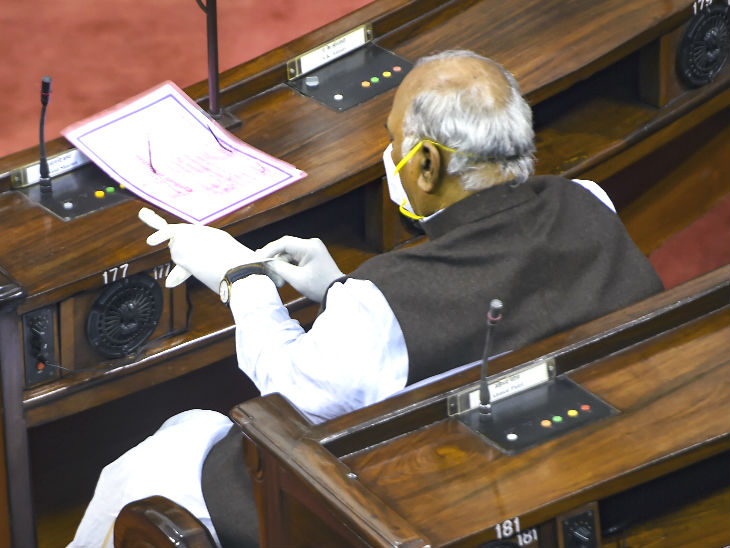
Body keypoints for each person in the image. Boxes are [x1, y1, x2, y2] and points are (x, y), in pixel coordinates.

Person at [68, 50, 663, 547]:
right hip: (557, 458)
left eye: (393, 139)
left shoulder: (383, 306)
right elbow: (489, 302)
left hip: (414, 504)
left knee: (167, 448)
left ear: (426, 164)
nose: (390, 156)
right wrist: (337, 290)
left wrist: (237, 277)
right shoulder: (588, 202)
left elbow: (287, 390)